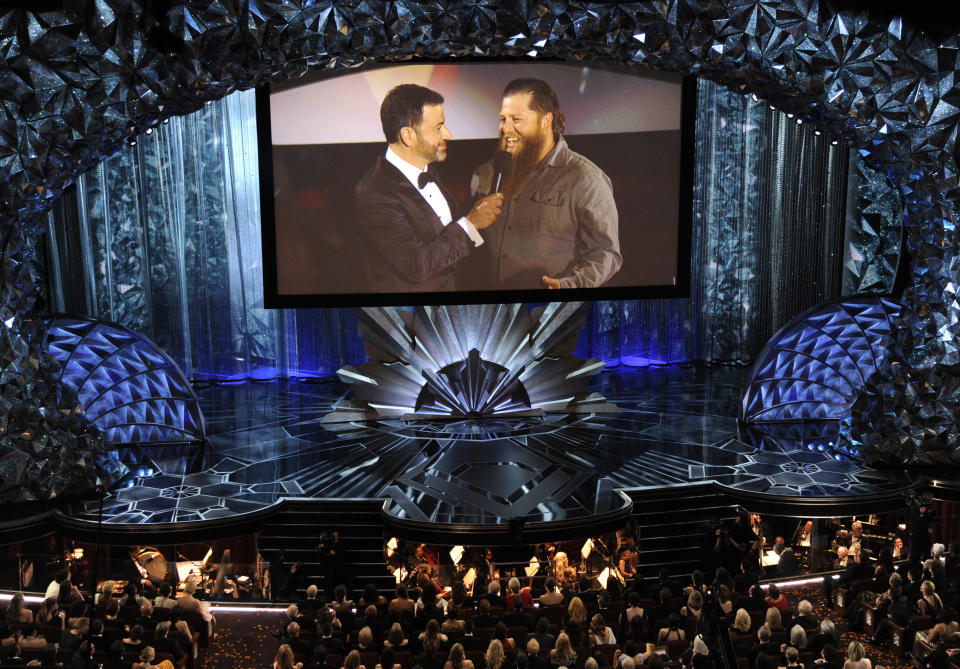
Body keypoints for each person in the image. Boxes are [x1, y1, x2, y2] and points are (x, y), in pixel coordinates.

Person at [469, 78, 621, 290]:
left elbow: (605, 253)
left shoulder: (585, 177)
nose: (506, 128)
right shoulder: (485, 172)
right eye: (503, 119)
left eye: (517, 119)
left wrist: (570, 285)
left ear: (545, 121)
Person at [354, 83, 502, 293]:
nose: (448, 134)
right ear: (408, 136)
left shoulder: (428, 172)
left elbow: (448, 239)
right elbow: (416, 266)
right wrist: (471, 223)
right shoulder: (374, 196)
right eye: (438, 127)